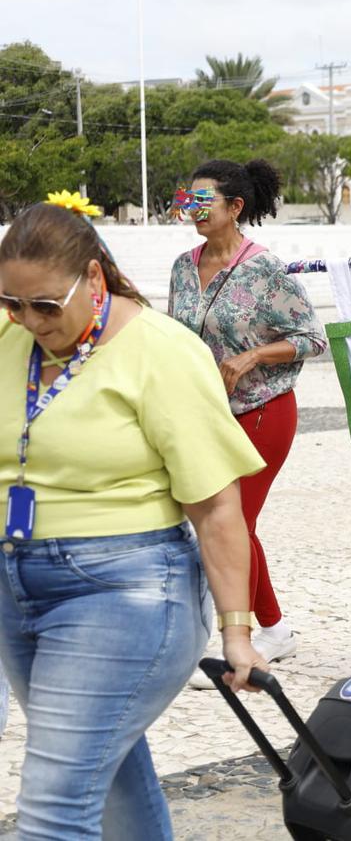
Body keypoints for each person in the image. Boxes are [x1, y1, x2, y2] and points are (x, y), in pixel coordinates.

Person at [0, 196, 268, 840]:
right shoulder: (12, 340)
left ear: (93, 277)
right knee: (109, 774)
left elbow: (217, 508)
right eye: (12, 303)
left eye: (45, 305)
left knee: (53, 805)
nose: (30, 320)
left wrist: (236, 631)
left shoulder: (161, 351)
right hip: (17, 584)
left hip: (124, 590)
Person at [168, 160, 327, 678]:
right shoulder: (181, 268)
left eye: (203, 201)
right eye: (187, 201)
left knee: (234, 523)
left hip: (264, 411)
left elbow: (313, 338)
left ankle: (248, 638)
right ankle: (275, 629)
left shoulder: (265, 269)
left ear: (235, 207)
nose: (192, 210)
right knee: (219, 521)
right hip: (207, 415)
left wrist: (253, 355)